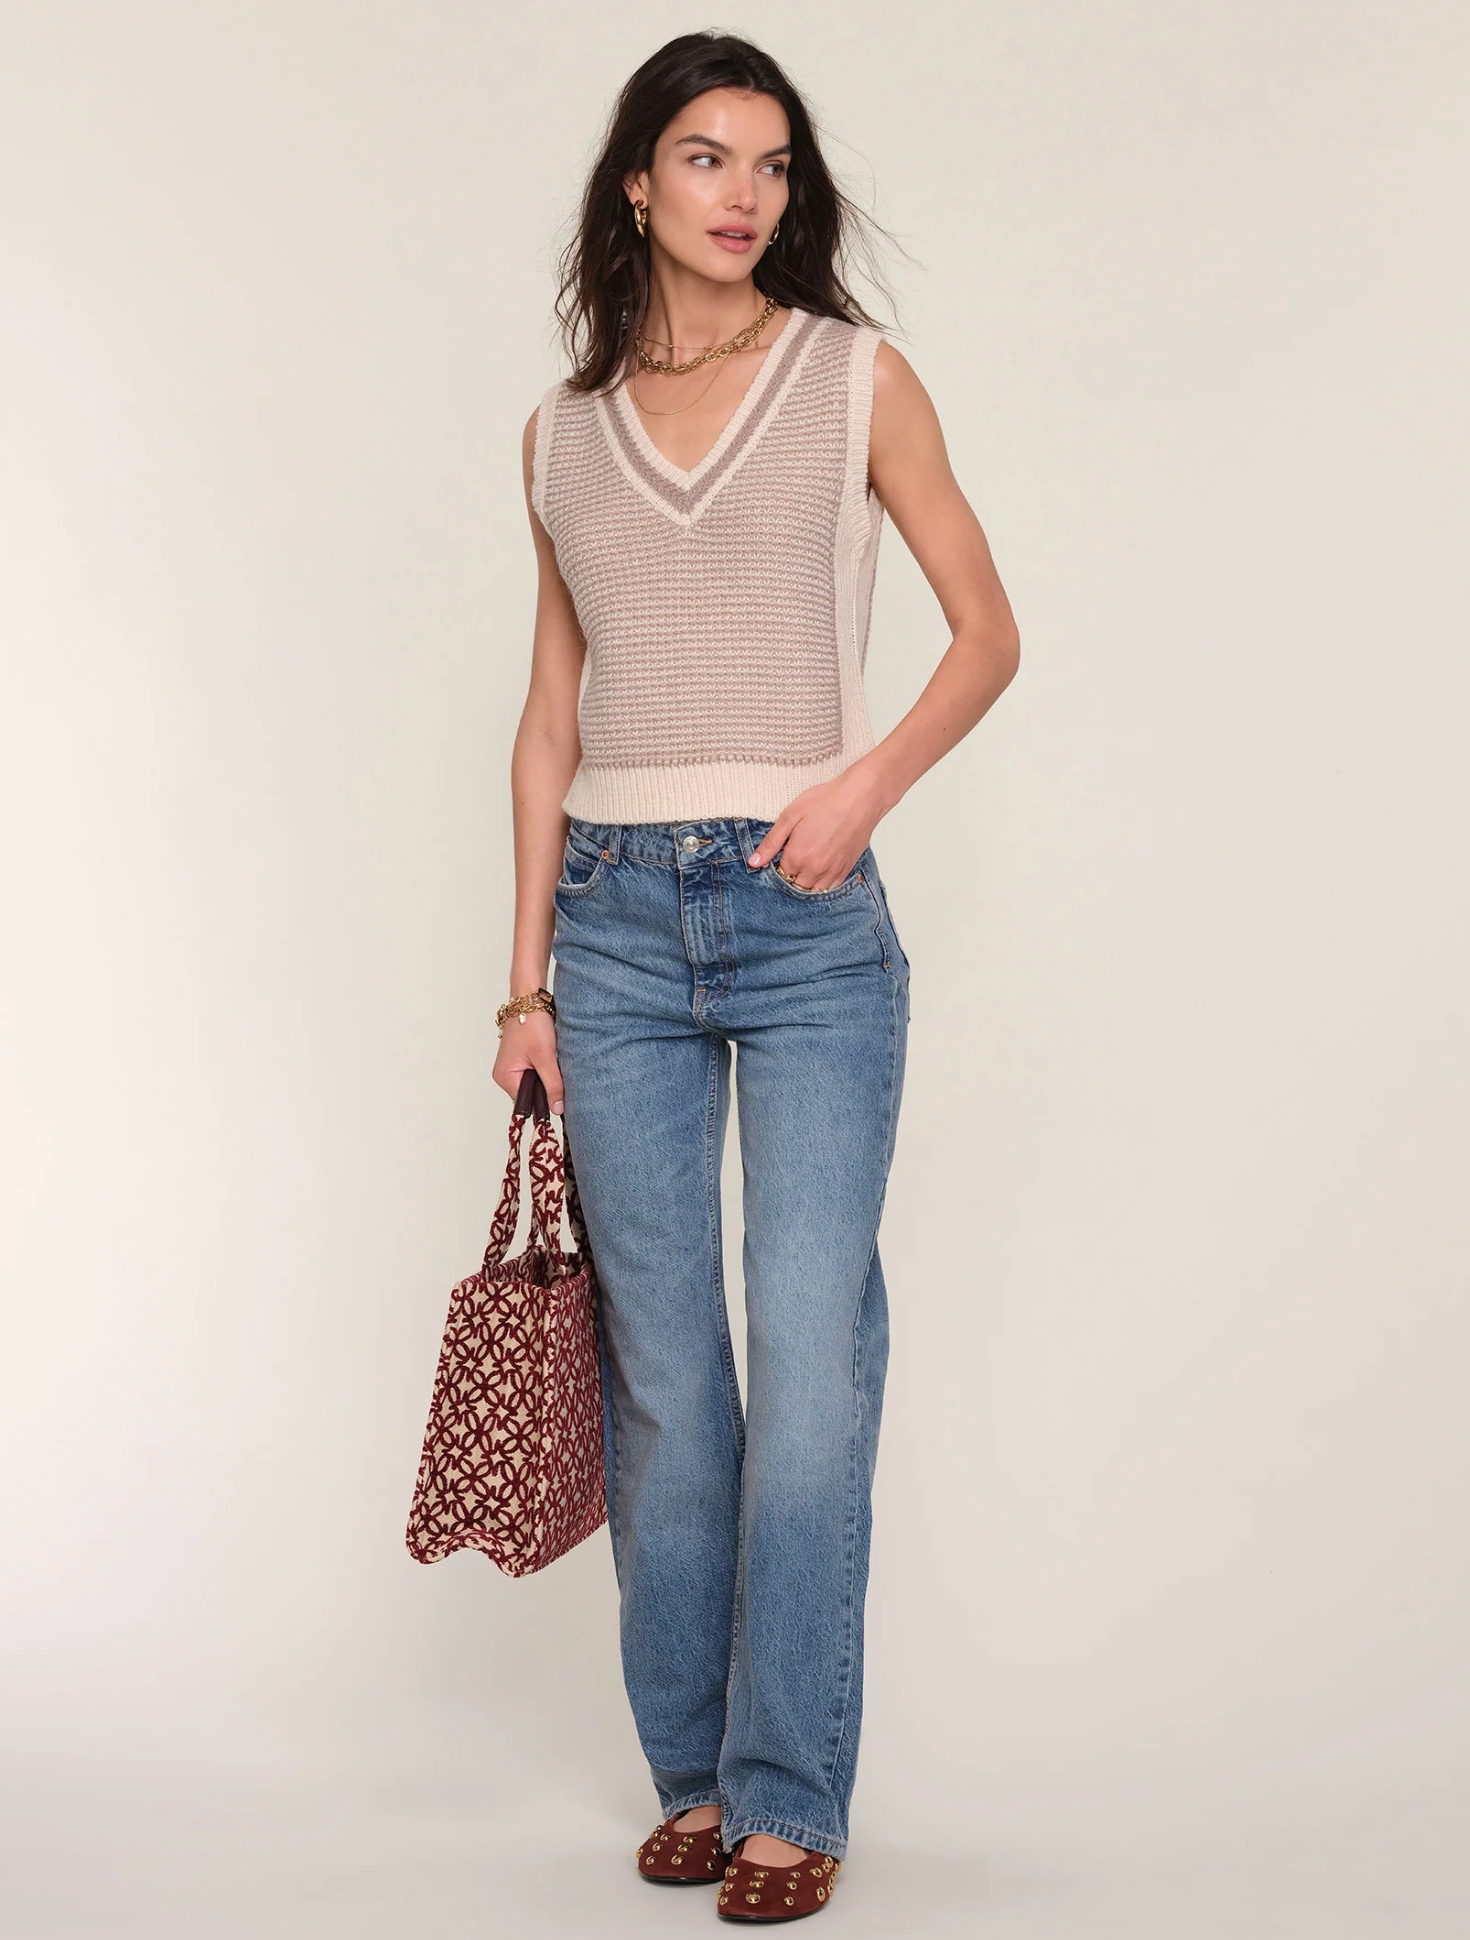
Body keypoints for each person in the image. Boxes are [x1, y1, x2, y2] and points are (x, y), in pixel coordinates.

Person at [495, 31, 1019, 1924]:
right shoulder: (560, 435)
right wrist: (523, 988)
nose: (744, 193)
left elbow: (986, 631)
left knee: (807, 1356)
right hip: (612, 932)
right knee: (662, 1378)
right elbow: (548, 721)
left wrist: (858, 789)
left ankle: (793, 1786)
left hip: (808, 932)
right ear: (636, 180)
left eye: (773, 164)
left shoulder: (854, 377)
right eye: (706, 156)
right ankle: (700, 1777)